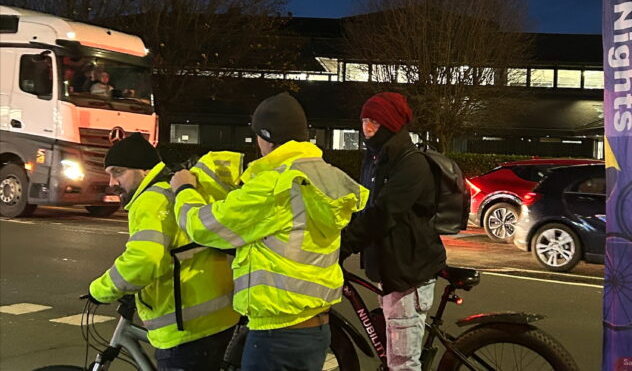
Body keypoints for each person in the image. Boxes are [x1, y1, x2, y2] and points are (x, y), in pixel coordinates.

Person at [170, 92, 368, 370]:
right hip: (316, 327)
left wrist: (184, 188)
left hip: (277, 332)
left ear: (266, 136)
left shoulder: (274, 184)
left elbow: (202, 226)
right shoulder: (322, 175)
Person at [87, 133, 239, 371]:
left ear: (145, 171)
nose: (112, 183)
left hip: (187, 329)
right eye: (109, 174)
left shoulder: (150, 200)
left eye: (118, 172)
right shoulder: (171, 191)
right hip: (217, 318)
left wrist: (100, 290)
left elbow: (144, 259)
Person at [339, 92, 447, 371]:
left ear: (389, 124)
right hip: (389, 269)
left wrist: (344, 244)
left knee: (402, 363)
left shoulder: (411, 163)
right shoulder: (376, 160)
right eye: (364, 120)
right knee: (394, 353)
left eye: (374, 121)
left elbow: (384, 213)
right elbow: (364, 205)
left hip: (407, 273)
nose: (367, 128)